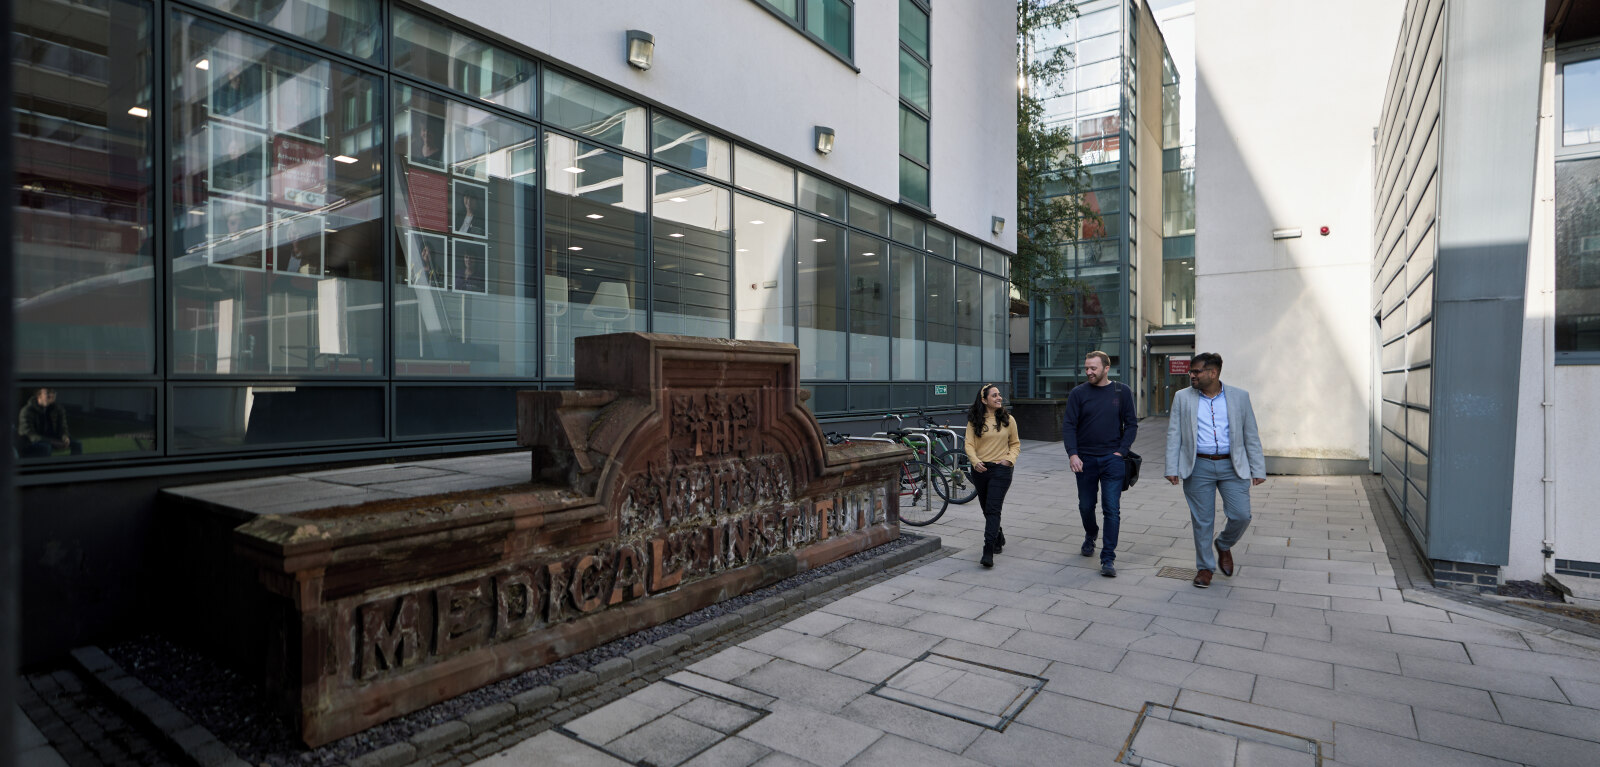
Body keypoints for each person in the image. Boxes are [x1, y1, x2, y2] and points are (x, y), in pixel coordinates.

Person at [1164, 352, 1266, 588]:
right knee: (1202, 520)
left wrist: (1257, 468)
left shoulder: (1239, 397)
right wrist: (1172, 467)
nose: (1192, 375)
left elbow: (1250, 434)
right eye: (1191, 371)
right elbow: (1174, 434)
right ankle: (1205, 568)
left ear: (1213, 373)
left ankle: (1223, 544)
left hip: (1232, 465)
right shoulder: (1183, 397)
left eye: (1196, 371)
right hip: (1197, 465)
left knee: (1241, 515)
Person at [1061, 350, 1137, 577]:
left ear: (1106, 368)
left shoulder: (1121, 391)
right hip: (1084, 460)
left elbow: (1131, 424)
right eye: (1086, 368)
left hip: (1112, 461)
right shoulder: (1078, 393)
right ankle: (1091, 533)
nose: (1089, 372)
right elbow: (1069, 425)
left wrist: (1121, 452)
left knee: (1112, 509)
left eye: (1093, 368)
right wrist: (1073, 454)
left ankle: (1108, 559)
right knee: (1085, 505)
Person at [964, 384, 1020, 569]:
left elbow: (1015, 444)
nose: (999, 398)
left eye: (999, 395)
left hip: (1001, 470)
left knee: (993, 509)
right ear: (984, 400)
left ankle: (988, 550)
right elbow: (969, 444)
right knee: (986, 508)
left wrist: (1009, 460)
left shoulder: (1008, 419)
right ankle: (998, 535)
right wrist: (974, 461)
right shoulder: (974, 421)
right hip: (980, 470)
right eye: (994, 395)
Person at [18, 388, 82, 457]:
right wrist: (52, 442)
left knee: (77, 444)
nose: (51, 396)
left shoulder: (57, 409)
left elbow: (63, 427)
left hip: (52, 440)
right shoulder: (27, 411)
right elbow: (29, 434)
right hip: (31, 443)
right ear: (38, 395)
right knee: (46, 447)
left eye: (53, 393)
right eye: (47, 393)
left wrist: (65, 437)